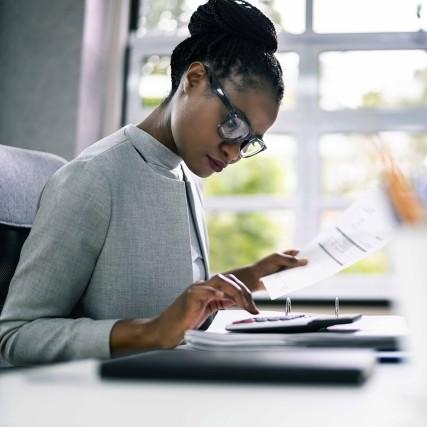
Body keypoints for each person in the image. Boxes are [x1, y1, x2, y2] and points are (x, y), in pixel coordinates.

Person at [0, 0, 306, 366]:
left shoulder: (186, 177)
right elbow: (16, 335)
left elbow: (173, 314)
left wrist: (249, 276)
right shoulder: (94, 178)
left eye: (248, 140)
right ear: (193, 80)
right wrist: (149, 332)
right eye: (234, 124)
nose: (235, 152)